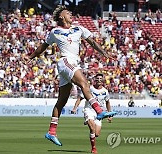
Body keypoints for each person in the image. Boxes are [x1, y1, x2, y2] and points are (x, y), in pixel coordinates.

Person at [24, 5, 117, 146]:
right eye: (68, 13)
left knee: (61, 101)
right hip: (65, 61)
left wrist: (102, 52)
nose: (71, 14)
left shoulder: (79, 28)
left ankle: (51, 132)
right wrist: (30, 57)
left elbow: (91, 41)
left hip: (72, 64)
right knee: (84, 84)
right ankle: (99, 110)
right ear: (62, 17)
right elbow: (42, 47)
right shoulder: (55, 31)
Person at [72, 73, 113, 154]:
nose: (99, 80)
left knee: (96, 134)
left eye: (101, 79)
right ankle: (93, 148)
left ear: (103, 80)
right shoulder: (89, 89)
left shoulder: (105, 91)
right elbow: (80, 98)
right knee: (92, 129)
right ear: (95, 79)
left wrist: (109, 114)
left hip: (99, 113)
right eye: (97, 78)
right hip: (89, 110)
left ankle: (88, 121)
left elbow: (107, 102)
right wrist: (75, 108)